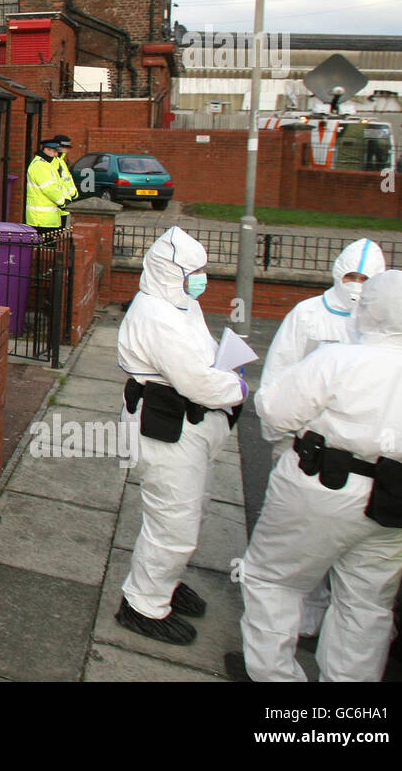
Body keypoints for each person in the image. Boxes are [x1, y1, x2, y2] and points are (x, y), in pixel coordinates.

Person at [234, 270, 402, 682]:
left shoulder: (337, 360)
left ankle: (275, 678)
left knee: (275, 580)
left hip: (324, 486)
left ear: (366, 311)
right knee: (367, 602)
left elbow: (275, 410)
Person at [116, 226, 247, 645]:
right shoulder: (154, 315)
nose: (201, 278)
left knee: (189, 512)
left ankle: (165, 583)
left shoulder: (183, 305)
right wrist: (238, 386)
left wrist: (224, 372)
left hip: (189, 427)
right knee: (172, 520)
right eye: (194, 270)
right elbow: (197, 381)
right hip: (167, 427)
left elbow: (206, 355)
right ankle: (143, 605)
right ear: (170, 272)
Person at [258, 238, 386, 638]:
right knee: (297, 550)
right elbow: (280, 371)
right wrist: (279, 436)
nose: (357, 285)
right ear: (337, 272)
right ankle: (298, 626)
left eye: (367, 279)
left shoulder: (382, 328)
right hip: (306, 447)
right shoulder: (308, 315)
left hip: (360, 457)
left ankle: (319, 625)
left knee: (340, 554)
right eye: (351, 275)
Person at [25, 139, 68, 236]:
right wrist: (63, 202)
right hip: (41, 218)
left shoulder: (45, 164)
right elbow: (49, 188)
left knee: (47, 248)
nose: (57, 155)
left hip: (46, 218)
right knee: (45, 248)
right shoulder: (40, 165)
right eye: (55, 151)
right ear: (47, 149)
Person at [51, 134, 80, 228]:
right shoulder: (54, 161)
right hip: (59, 204)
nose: (67, 150)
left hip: (65, 204)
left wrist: (74, 193)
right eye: (65, 147)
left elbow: (67, 179)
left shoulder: (61, 161)